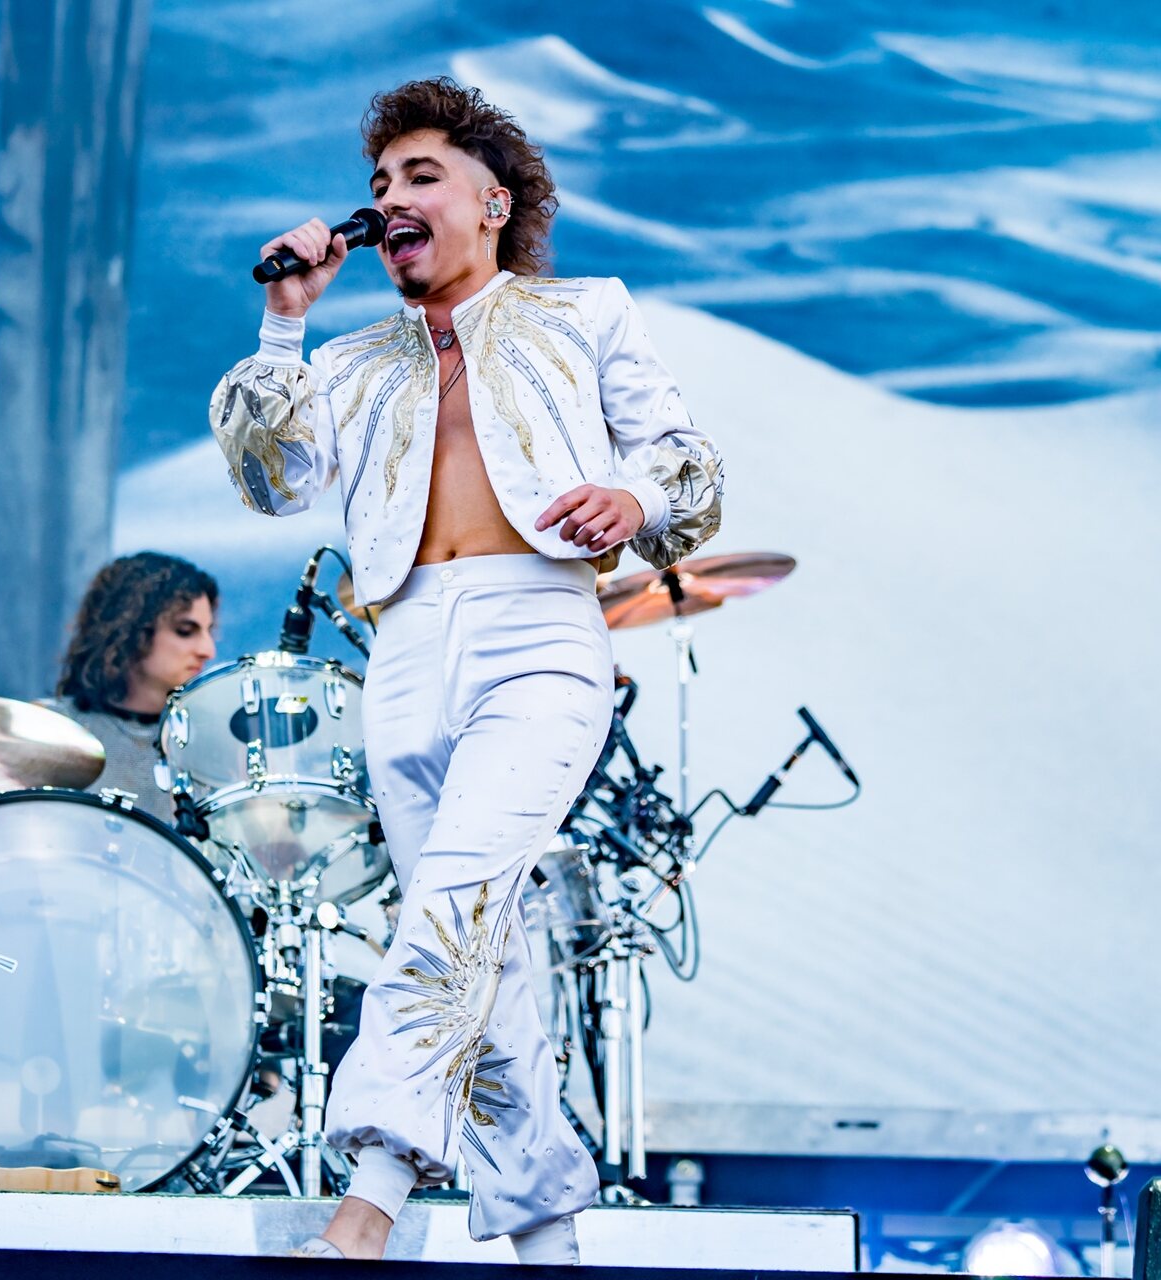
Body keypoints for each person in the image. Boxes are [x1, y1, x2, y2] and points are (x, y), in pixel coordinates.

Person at [208, 78, 722, 1264]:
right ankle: (550, 1242)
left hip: (537, 634)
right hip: (404, 647)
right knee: (485, 951)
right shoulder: (349, 360)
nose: (392, 197)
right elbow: (271, 481)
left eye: (421, 177)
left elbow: (688, 462)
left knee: (453, 903)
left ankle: (368, 1204)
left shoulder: (583, 313)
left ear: (493, 204)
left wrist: (632, 496)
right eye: (379, 183)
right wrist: (284, 323)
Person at [45, 552, 219, 824]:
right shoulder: (53, 730)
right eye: (186, 631)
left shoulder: (215, 738)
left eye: (210, 630)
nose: (208, 650)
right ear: (132, 631)